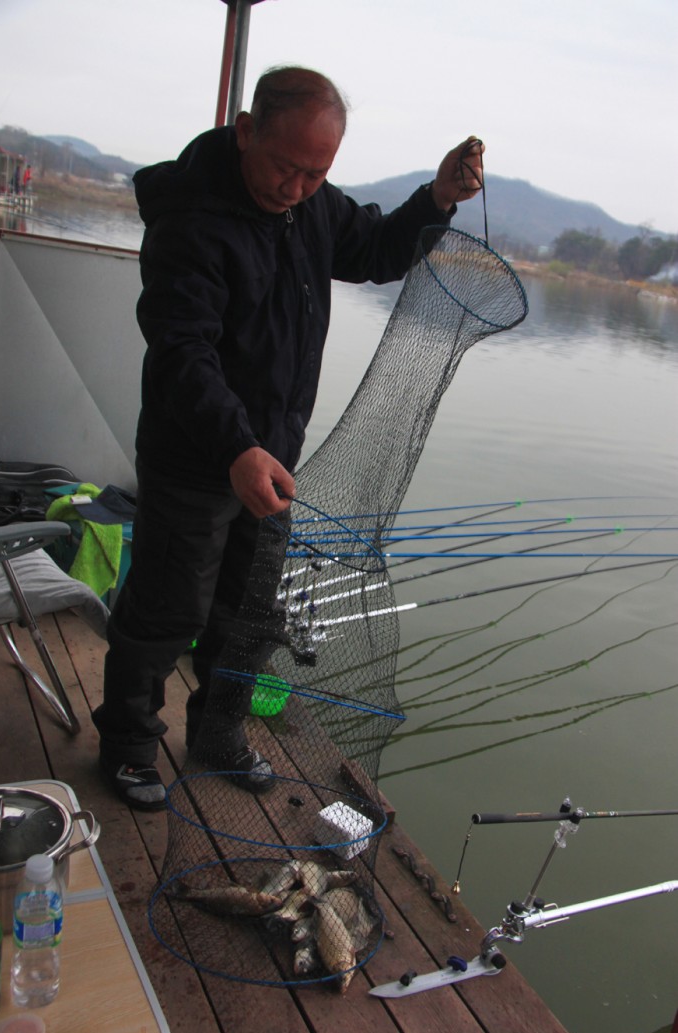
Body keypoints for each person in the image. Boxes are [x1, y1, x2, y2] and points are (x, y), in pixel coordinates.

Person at [93, 65, 484, 811]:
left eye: (317, 174)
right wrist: (235, 449)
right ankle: (129, 744)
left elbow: (373, 251)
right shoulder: (191, 219)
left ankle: (218, 734)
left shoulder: (311, 207)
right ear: (246, 131)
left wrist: (437, 197)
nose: (298, 187)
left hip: (272, 457)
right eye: (286, 167)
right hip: (197, 455)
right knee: (167, 609)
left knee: (249, 614)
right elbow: (180, 351)